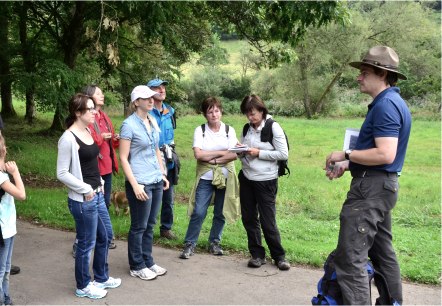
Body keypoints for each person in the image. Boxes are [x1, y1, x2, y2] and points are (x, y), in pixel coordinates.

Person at [324, 46, 411, 305]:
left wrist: (346, 154)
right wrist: (349, 166)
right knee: (383, 254)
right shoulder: (392, 103)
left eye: (364, 72)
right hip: (380, 186)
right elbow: (382, 159)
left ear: (382, 74)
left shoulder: (385, 106)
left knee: (350, 260)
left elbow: (385, 154)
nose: (358, 77)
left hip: (369, 192)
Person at [57, 93, 121, 299]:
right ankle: (83, 285)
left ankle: (101, 277)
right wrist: (86, 189)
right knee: (86, 244)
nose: (95, 112)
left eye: (95, 107)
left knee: (105, 236)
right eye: (90, 108)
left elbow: (92, 164)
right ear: (77, 112)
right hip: (83, 200)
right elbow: (62, 173)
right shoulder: (68, 138)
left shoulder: (87, 130)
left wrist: (100, 183)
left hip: (98, 194)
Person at [180, 97, 240, 259]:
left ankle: (214, 242)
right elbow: (198, 154)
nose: (214, 114)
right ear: (205, 114)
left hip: (226, 177)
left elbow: (234, 155)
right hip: (205, 178)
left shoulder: (229, 130)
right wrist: (222, 153)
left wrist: (213, 159)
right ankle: (190, 243)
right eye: (210, 111)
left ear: (221, 111)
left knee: (220, 212)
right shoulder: (200, 130)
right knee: (199, 211)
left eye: (216, 111)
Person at [119, 85, 170, 281]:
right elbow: (123, 158)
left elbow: (156, 149)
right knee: (138, 226)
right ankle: (136, 265)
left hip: (156, 179)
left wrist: (162, 174)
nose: (151, 100)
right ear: (136, 102)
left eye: (152, 97)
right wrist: (135, 185)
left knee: (150, 224)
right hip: (140, 181)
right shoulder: (128, 125)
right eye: (146, 98)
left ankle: (148, 261)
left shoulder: (152, 121)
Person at [238, 95, 290, 271]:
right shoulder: (247, 129)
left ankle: (279, 256)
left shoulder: (273, 127)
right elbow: (246, 150)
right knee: (249, 218)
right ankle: (257, 255)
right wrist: (241, 151)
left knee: (268, 221)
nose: (250, 117)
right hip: (246, 178)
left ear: (261, 110)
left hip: (266, 181)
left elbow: (283, 154)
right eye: (247, 114)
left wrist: (258, 153)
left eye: (253, 113)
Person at [147, 78, 178, 240]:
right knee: (151, 194)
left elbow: (171, 134)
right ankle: (147, 229)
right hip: (151, 157)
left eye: (163, 87)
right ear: (150, 92)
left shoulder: (170, 111)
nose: (162, 90)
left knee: (168, 195)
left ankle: (166, 228)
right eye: (157, 88)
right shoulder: (146, 112)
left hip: (168, 156)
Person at [0, 134, 26, 305]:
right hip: (3, 229)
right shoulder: (1, 177)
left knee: (6, 269)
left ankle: (6, 299)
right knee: (2, 270)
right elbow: (21, 195)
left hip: (8, 227)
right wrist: (16, 173)